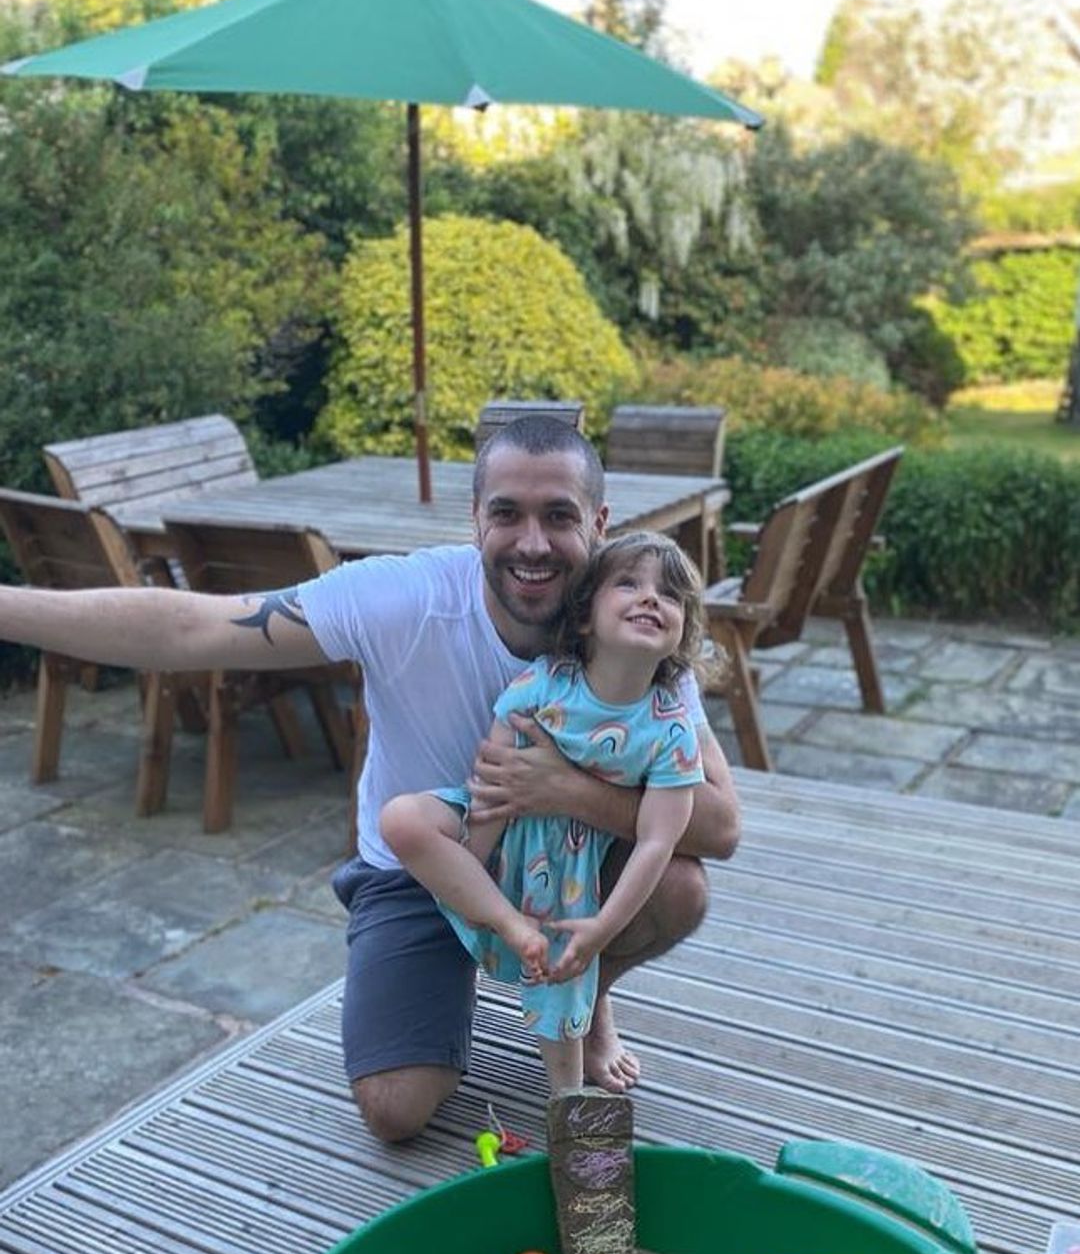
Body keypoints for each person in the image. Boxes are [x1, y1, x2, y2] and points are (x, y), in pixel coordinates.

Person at [0, 415, 740, 1141]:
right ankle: (494, 972)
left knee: (680, 886)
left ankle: (587, 998)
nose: (534, 543)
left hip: (572, 861)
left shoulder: (636, 627)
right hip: (426, 867)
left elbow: (719, 826)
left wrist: (558, 789)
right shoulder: (406, 599)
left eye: (559, 516)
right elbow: (192, 627)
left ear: (599, 522)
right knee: (395, 1109)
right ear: (475, 519)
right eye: (507, 514)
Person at [380, 531, 707, 1097]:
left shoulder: (670, 728)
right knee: (402, 820)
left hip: (572, 871)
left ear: (682, 632)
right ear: (585, 617)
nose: (652, 599)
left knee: (565, 985)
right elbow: (494, 784)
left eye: (670, 595)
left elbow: (657, 841)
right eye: (628, 584)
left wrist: (601, 930)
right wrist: (476, 862)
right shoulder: (545, 682)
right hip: (501, 832)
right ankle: (510, 926)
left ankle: (567, 1101)